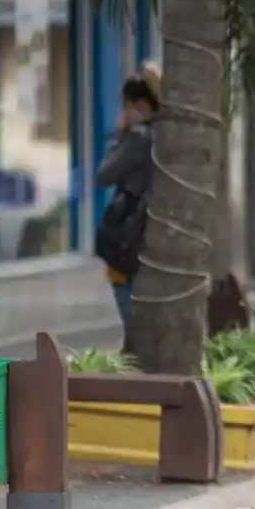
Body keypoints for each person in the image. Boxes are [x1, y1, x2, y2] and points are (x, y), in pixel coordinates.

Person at [95, 62, 163, 352]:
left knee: (134, 325)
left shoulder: (139, 137)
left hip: (131, 237)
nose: (123, 114)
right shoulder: (165, 135)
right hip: (151, 236)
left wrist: (119, 136)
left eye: (127, 107)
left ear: (140, 105)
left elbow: (104, 175)